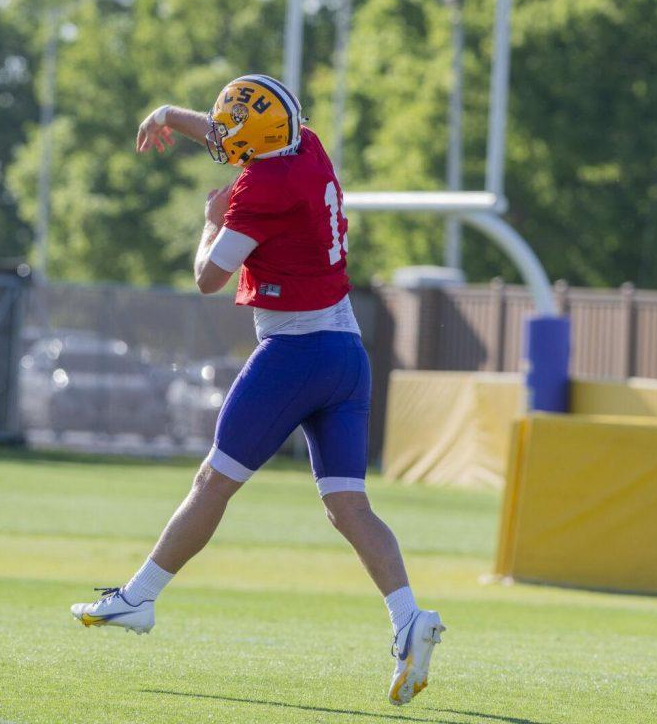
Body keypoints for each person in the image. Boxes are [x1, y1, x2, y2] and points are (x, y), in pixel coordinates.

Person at [71, 75, 444, 706]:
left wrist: (208, 222)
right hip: (346, 355)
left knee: (213, 482)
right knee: (349, 506)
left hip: (294, 353)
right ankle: (409, 618)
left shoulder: (259, 192)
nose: (221, 138)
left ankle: (139, 599)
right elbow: (231, 133)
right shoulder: (308, 147)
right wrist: (167, 113)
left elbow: (208, 278)